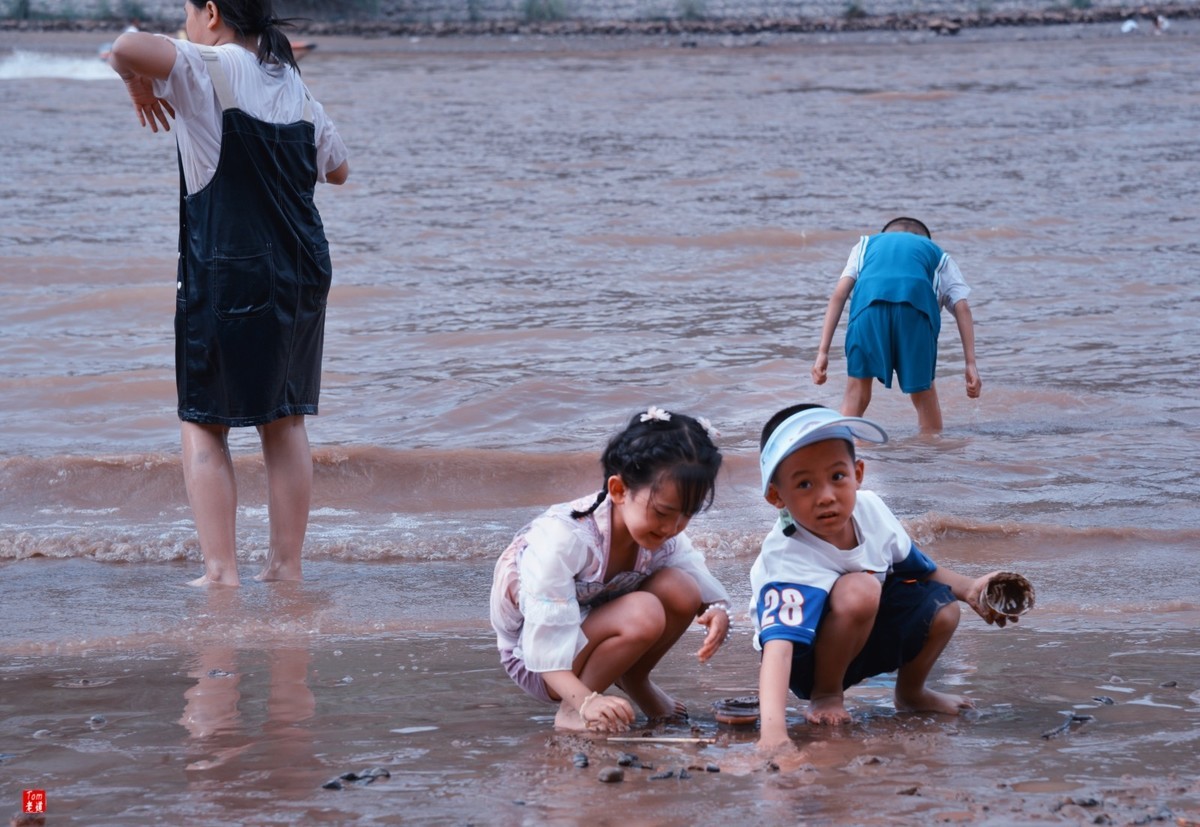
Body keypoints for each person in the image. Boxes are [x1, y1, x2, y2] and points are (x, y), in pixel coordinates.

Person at [108, 1, 349, 587]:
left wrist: (137, 86)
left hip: (231, 270)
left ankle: (221, 573)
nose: (185, 22)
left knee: (204, 420)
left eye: (187, 10)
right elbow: (338, 169)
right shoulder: (295, 87)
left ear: (211, 12)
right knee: (285, 419)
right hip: (301, 272)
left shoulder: (205, 65)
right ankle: (285, 567)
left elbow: (124, 47)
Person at [751, 404, 1023, 751]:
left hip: (862, 637)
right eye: (804, 484)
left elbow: (920, 570)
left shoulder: (871, 510)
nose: (826, 496)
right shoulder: (787, 556)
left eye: (838, 477)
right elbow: (778, 650)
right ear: (776, 496)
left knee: (942, 607)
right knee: (861, 588)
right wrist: (773, 734)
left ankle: (911, 693)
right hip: (805, 661)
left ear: (858, 473)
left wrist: (971, 589)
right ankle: (827, 695)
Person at [490, 407, 733, 733]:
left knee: (683, 587)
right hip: (538, 663)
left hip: (592, 634)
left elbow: (696, 578)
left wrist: (716, 611)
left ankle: (634, 678)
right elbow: (542, 647)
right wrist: (585, 701)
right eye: (663, 513)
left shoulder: (660, 534)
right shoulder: (565, 539)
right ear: (618, 490)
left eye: (686, 515)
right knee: (644, 610)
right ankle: (572, 710)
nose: (673, 528)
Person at [811, 217, 981, 433]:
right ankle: (930, 448)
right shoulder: (937, 252)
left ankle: (850, 446)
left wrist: (822, 352)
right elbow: (961, 307)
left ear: (885, 234)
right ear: (924, 239)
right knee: (924, 396)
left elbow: (839, 294)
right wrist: (970, 363)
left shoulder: (865, 244)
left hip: (867, 310)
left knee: (856, 393)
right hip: (916, 311)